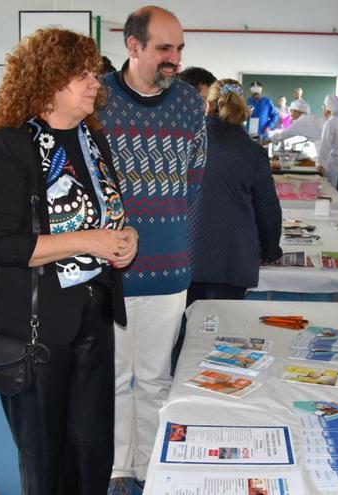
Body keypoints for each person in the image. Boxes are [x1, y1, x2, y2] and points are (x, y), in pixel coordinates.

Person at [0, 28, 137, 495]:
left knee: (93, 447)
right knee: (44, 456)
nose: (95, 83)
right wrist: (88, 240)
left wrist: (126, 239)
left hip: (95, 312)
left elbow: (109, 215)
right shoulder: (10, 145)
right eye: (82, 74)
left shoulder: (93, 141)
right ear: (48, 80)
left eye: (94, 73)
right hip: (37, 324)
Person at [96, 6, 206, 493]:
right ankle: (120, 469)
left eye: (180, 49)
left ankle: (150, 468)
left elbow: (195, 182)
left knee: (157, 378)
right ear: (133, 45)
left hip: (169, 267)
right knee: (115, 378)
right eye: (165, 48)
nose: (175, 60)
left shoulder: (187, 103)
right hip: (109, 268)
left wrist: (170, 232)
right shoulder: (96, 99)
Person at [187, 78, 282, 306]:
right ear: (244, 109)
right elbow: (267, 208)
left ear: (207, 105)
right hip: (234, 256)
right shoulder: (252, 152)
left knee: (184, 329)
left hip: (187, 252)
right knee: (223, 328)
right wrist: (271, 250)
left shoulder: (186, 143)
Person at [317, 94, 338, 188]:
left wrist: (320, 164)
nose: (322, 108)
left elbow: (325, 146)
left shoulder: (330, 123)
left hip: (333, 164)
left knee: (332, 190)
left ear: (328, 109)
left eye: (324, 106)